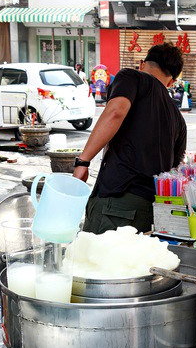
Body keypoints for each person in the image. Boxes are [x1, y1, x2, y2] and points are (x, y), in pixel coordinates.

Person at [74, 43, 187, 234]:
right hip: (148, 211)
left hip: (116, 203)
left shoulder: (133, 77)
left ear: (142, 64)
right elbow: (174, 172)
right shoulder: (178, 119)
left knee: (95, 261)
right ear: (171, 82)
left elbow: (115, 113)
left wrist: (83, 161)